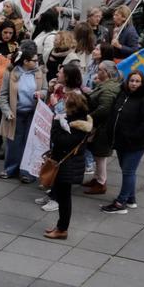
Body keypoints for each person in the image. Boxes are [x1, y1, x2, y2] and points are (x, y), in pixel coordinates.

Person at [100, 67, 144, 214]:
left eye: (137, 81)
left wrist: (133, 135)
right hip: (120, 141)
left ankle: (121, 202)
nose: (134, 84)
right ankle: (131, 198)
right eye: (131, 80)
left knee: (128, 171)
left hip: (135, 143)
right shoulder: (123, 94)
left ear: (142, 83)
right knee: (127, 170)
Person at [42, 95, 92, 239]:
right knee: (63, 197)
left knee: (64, 199)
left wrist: (56, 125)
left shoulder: (78, 126)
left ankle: (62, 229)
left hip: (68, 166)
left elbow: (61, 141)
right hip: (67, 164)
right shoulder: (74, 122)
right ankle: (60, 226)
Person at [0, 46, 40, 180]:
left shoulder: (39, 73)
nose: (37, 62)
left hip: (33, 114)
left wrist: (42, 93)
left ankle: (27, 173)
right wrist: (7, 111)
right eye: (34, 60)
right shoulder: (11, 73)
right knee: (14, 142)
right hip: (16, 114)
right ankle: (10, 169)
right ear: (25, 61)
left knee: (31, 143)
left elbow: (45, 90)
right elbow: (3, 95)